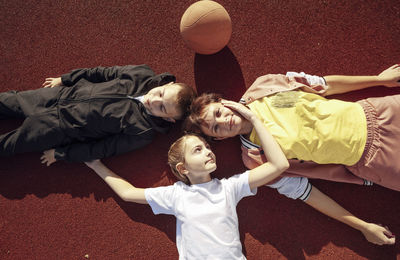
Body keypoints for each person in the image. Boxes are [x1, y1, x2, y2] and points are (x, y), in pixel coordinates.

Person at [183, 64, 400, 245]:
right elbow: (306, 193)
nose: (223, 122)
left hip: (380, 112)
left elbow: (325, 86)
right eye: (215, 128)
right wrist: (362, 226)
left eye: (218, 113)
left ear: (222, 102)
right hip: (377, 160)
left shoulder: (265, 87)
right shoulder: (255, 159)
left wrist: (379, 80)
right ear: (219, 139)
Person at [85, 101, 289, 259]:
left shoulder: (230, 187)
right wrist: (95, 165)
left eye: (207, 147)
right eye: (198, 150)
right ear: (183, 168)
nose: (208, 152)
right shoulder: (175, 195)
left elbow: (279, 165)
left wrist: (253, 119)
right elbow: (127, 193)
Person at [0, 64, 196, 165]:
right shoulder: (141, 74)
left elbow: (103, 148)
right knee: (10, 101)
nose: (154, 100)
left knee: (11, 144)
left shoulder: (142, 132)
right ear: (167, 84)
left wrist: (62, 154)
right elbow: (103, 73)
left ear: (168, 119)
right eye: (161, 94)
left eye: (161, 108)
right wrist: (66, 79)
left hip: (60, 128)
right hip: (58, 95)